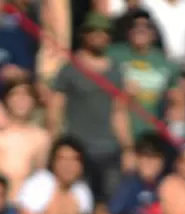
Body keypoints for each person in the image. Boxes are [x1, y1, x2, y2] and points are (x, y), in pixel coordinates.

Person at [48, 12, 132, 203]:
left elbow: (120, 112)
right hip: (78, 149)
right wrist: (55, 144)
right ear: (83, 35)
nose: (98, 36)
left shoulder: (116, 70)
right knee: (80, 202)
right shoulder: (69, 69)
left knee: (111, 203)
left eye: (104, 32)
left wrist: (128, 148)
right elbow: (55, 108)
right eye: (93, 31)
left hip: (109, 149)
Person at [0, 75, 52, 200]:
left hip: (22, 203)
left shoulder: (41, 137)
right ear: (6, 99)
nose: (21, 99)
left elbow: (40, 177)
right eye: (15, 94)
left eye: (26, 95)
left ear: (34, 101)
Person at [108, 9, 178, 141]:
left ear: (154, 33)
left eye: (147, 27)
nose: (141, 30)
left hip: (153, 131)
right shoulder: (113, 54)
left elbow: (175, 99)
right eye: (135, 26)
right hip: (118, 128)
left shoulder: (166, 63)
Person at [104, 132, 168, 214]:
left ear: (162, 161)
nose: (148, 162)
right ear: (137, 159)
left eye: (154, 157)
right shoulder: (129, 185)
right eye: (144, 156)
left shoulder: (168, 185)